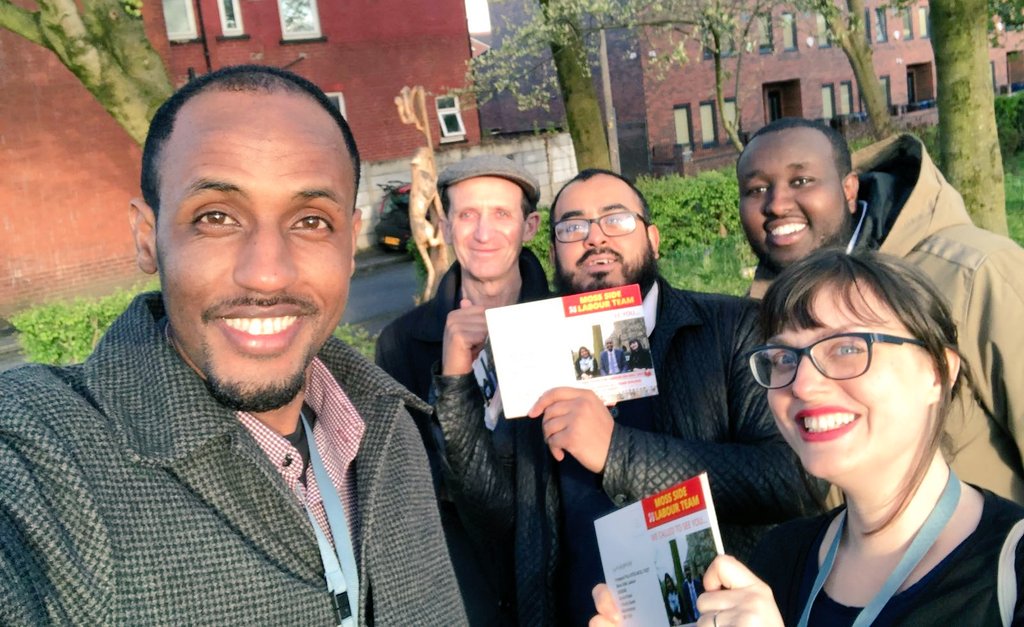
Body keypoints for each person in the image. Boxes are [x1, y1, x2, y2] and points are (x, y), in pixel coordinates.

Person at [0, 65, 465, 625]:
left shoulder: (392, 431)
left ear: (348, 241)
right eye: (216, 217)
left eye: (311, 220)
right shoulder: (45, 461)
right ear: (148, 238)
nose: (267, 275)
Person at [434, 168, 820, 625]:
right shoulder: (532, 349)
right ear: (554, 250)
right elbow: (497, 516)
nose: (595, 238)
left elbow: (792, 482)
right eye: (573, 228)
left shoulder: (735, 328)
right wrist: (456, 382)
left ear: (653, 239)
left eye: (616, 220)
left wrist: (616, 451)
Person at [592, 249, 1024, 626]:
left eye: (848, 348)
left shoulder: (1011, 570)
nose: (801, 385)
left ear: (938, 373)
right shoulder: (779, 559)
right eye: (784, 357)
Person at [737, 117, 1024, 503]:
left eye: (801, 181)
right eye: (756, 189)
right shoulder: (761, 317)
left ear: (849, 188)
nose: (776, 204)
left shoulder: (977, 272)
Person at [375, 153, 546, 625]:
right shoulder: (401, 343)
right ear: (445, 227)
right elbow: (408, 481)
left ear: (529, 226)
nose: (483, 233)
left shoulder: (567, 323)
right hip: (462, 576)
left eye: (501, 215)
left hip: (554, 565)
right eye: (467, 215)